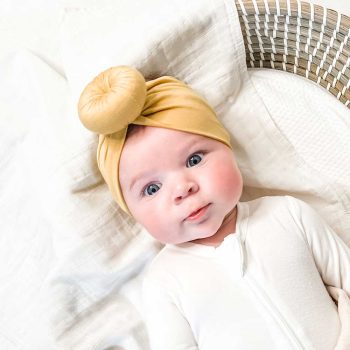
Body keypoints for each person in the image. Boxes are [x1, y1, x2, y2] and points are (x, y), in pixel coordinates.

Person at [78, 66, 350, 349]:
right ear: (132, 214)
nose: (183, 188)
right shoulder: (165, 282)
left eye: (194, 160)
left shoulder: (288, 215)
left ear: (228, 149)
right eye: (152, 189)